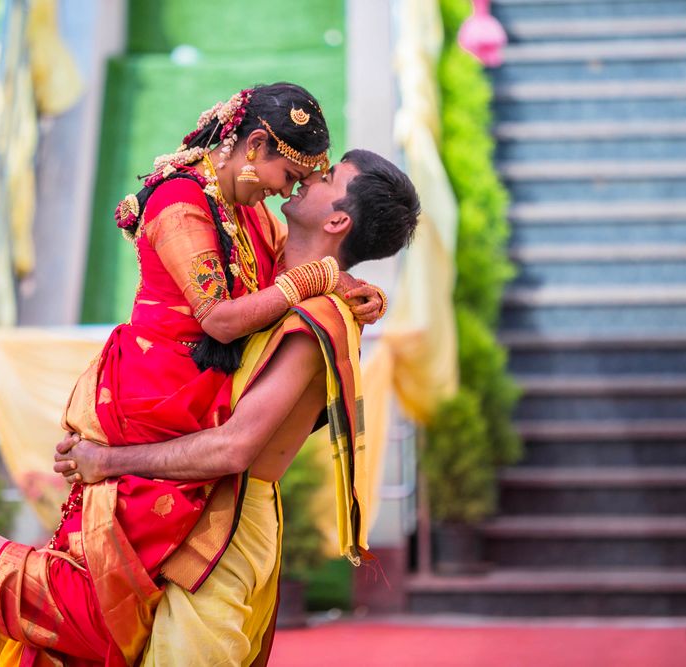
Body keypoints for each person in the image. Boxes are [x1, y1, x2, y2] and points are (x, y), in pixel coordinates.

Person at [0, 85, 386, 666]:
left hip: (192, 414)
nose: (291, 188)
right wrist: (321, 278)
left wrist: (345, 283)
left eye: (313, 180)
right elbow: (224, 319)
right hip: (151, 401)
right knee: (105, 607)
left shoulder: (248, 212)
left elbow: (284, 276)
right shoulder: (180, 202)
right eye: (292, 171)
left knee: (115, 610)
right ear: (254, 145)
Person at [55, 149, 420, 666]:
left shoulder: (314, 320)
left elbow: (233, 448)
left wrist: (106, 462)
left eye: (329, 175)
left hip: (225, 528)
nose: (311, 175)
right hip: (183, 506)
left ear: (338, 220)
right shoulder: (273, 270)